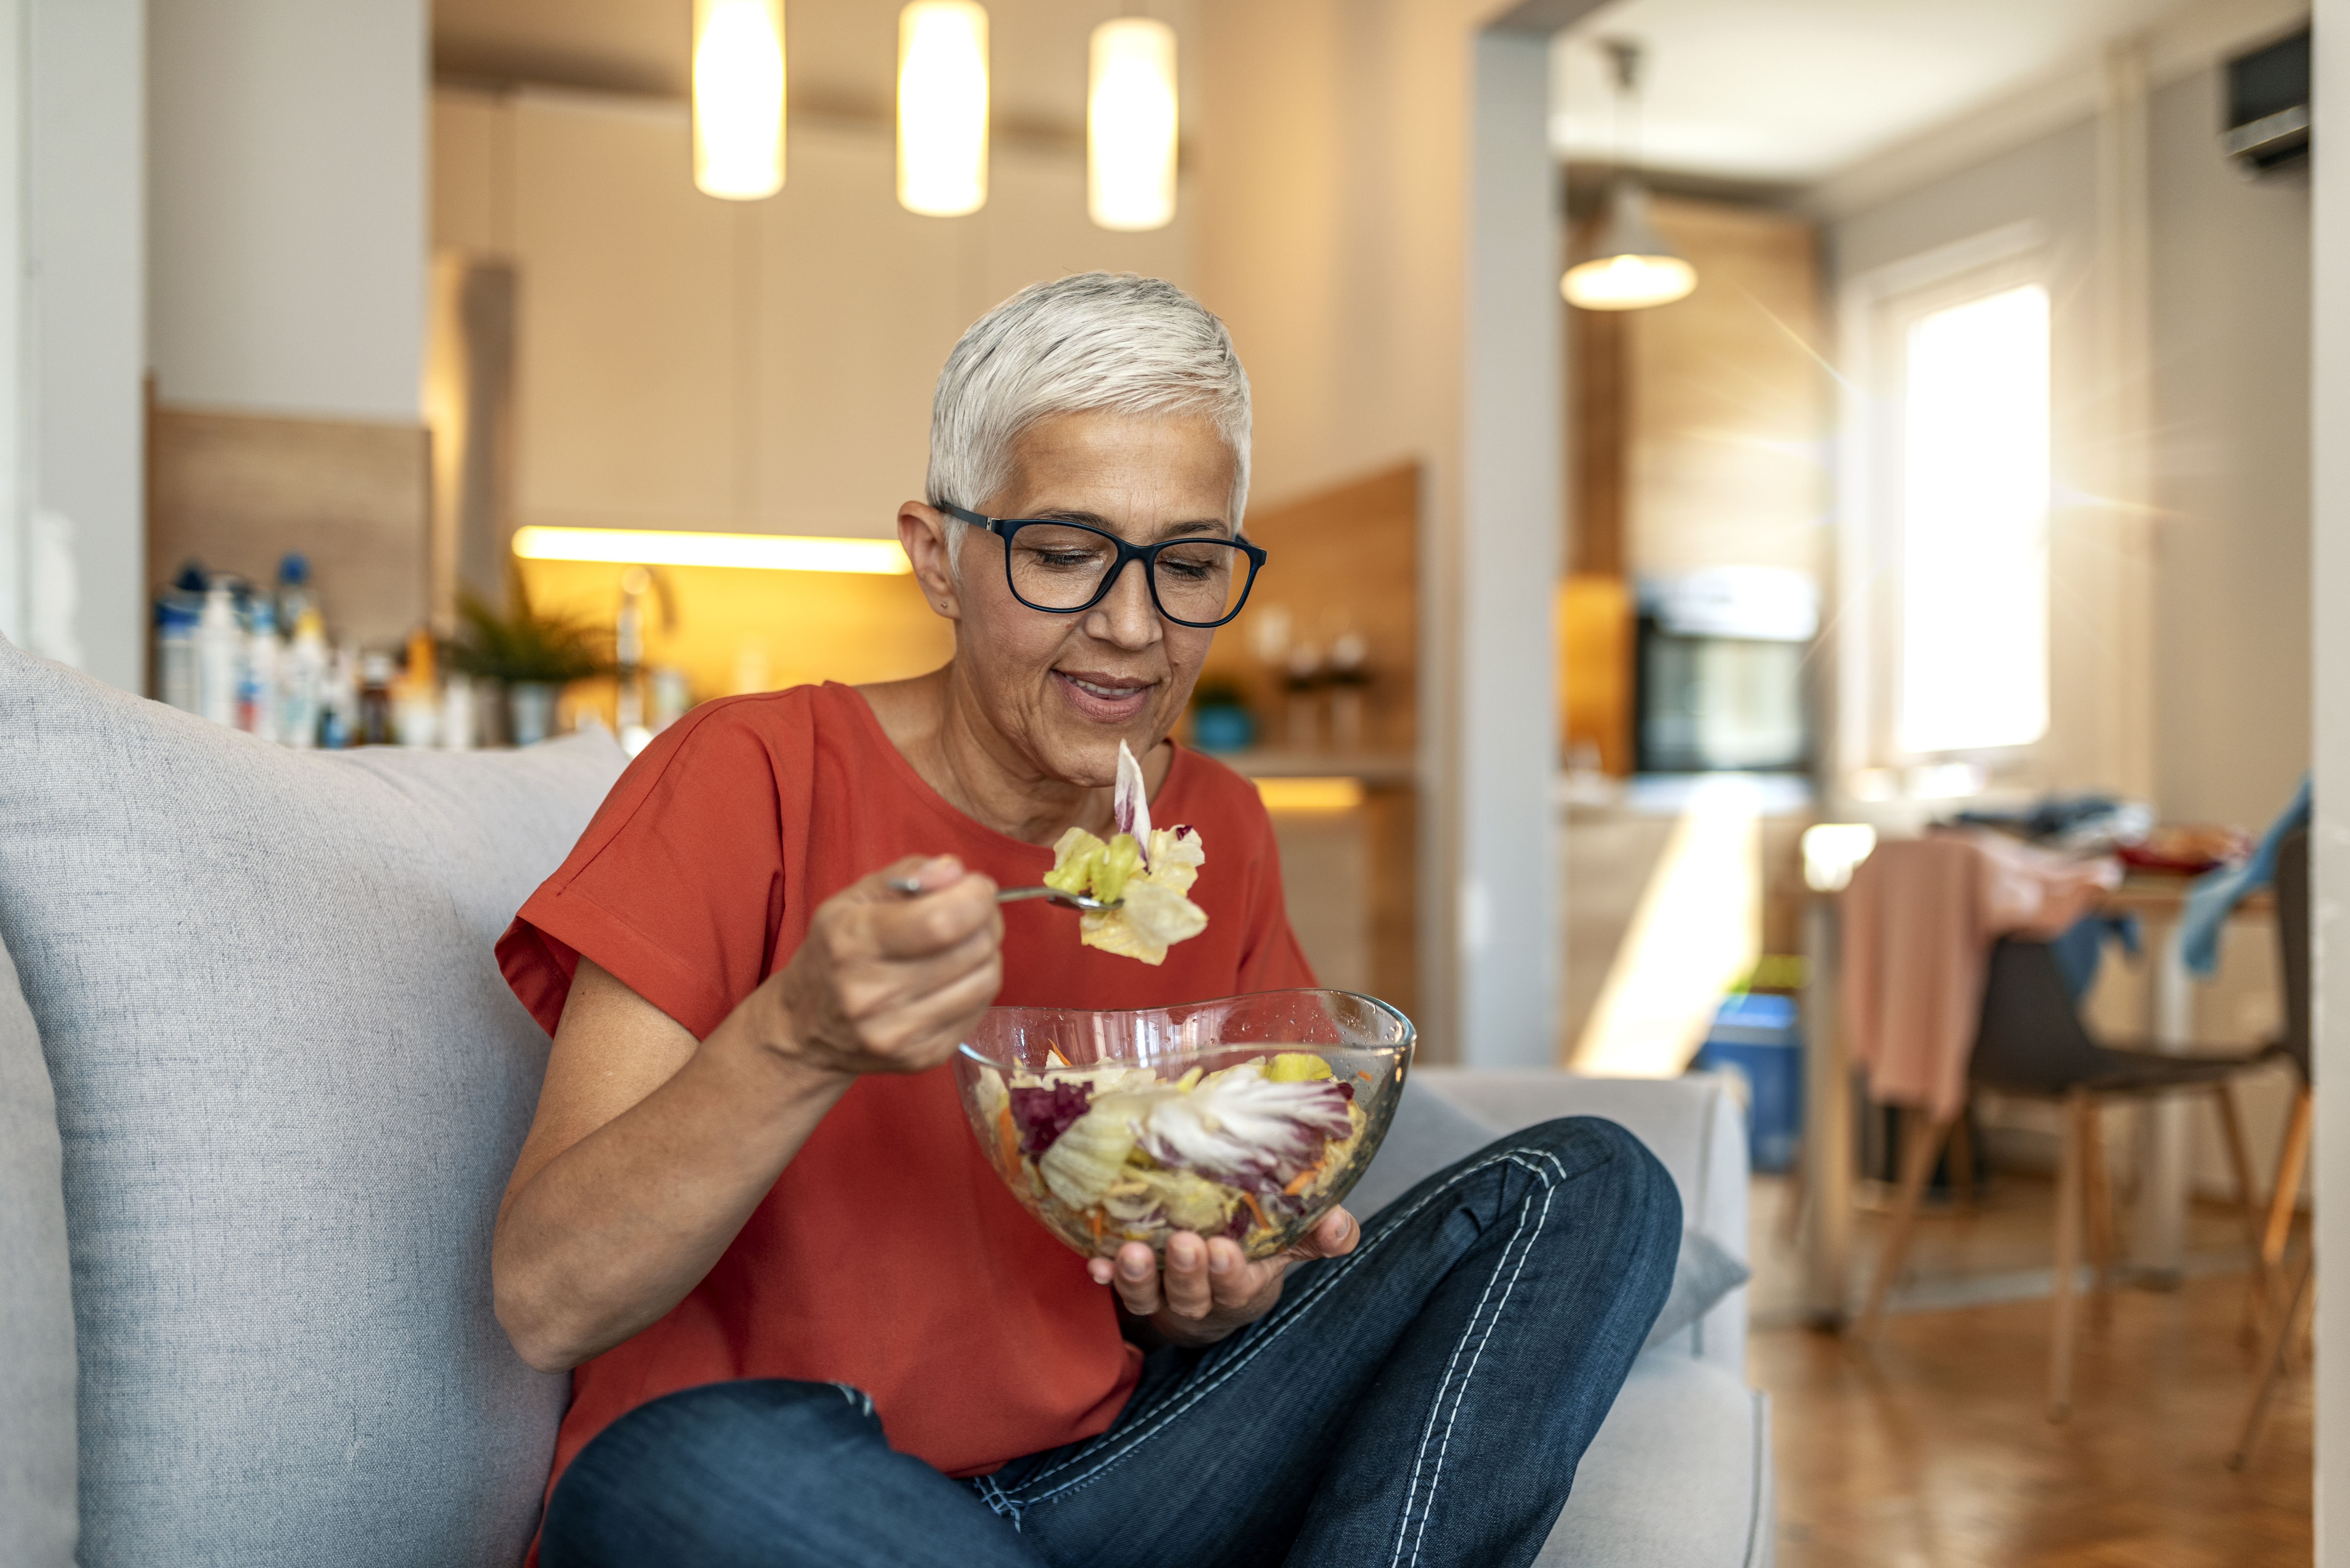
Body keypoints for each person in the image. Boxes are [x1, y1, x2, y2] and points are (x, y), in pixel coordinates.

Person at [492, 273, 1679, 1568]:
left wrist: (1219, 1293)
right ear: (937, 555)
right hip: (794, 1488)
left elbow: (1210, 1248)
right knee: (683, 1464)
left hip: (1114, 1482)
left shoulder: (1212, 823)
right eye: (1065, 555)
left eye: (1186, 565)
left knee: (1591, 1183)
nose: (1132, 627)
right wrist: (796, 1038)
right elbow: (549, 1296)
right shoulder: (750, 772)